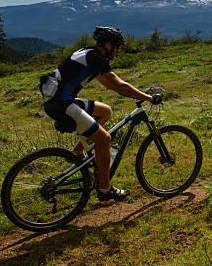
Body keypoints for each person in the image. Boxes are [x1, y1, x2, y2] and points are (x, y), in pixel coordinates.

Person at [43, 26, 155, 201]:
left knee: (105, 111)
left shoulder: (88, 52)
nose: (117, 51)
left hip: (60, 101)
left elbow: (109, 83)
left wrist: (125, 91)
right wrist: (148, 97)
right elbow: (119, 85)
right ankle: (105, 189)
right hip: (63, 105)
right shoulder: (96, 58)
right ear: (107, 44)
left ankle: (77, 155)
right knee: (104, 140)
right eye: (117, 46)